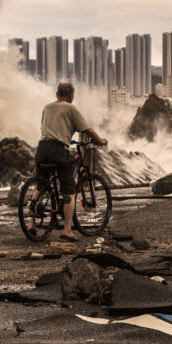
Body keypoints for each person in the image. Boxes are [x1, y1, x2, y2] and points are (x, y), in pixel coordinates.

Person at [33, 82, 107, 241]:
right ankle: (67, 231)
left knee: (42, 185)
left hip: (41, 149)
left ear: (56, 94)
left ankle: (31, 223)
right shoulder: (71, 108)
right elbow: (88, 129)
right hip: (57, 150)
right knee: (69, 191)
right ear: (71, 96)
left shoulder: (47, 107)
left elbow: (46, 128)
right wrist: (100, 141)